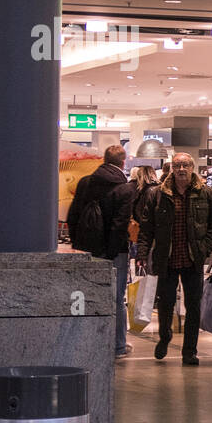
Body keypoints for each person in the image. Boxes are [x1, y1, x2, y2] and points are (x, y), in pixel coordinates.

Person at [137, 153, 212, 365]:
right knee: (165, 304)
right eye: (177, 165)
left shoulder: (205, 193)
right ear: (171, 168)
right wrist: (142, 254)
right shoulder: (158, 194)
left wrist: (206, 247)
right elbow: (146, 228)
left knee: (194, 306)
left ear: (192, 167)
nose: (181, 169)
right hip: (167, 258)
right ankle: (165, 338)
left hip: (193, 258)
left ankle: (189, 351)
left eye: (185, 165)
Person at [66, 145, 137, 357]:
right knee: (116, 298)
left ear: (103, 160)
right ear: (123, 163)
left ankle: (88, 343)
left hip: (88, 250)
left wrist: (79, 244)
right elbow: (119, 224)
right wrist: (113, 251)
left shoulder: (85, 182)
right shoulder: (125, 189)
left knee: (87, 296)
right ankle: (117, 346)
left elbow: (73, 216)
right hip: (115, 253)